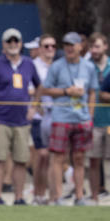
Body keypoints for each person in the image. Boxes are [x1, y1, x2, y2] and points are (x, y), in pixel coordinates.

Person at [0, 28, 40, 205]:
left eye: (16, 41)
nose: (13, 44)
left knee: (21, 160)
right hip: (1, 120)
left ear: (21, 44)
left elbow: (39, 87)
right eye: (9, 41)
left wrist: (34, 108)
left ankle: (19, 197)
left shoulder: (29, 64)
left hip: (22, 121)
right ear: (3, 45)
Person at [42, 32, 98, 206]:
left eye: (72, 44)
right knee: (57, 158)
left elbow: (92, 92)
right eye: (66, 44)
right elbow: (46, 89)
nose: (69, 48)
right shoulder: (57, 66)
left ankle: (80, 196)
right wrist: (66, 92)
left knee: (80, 158)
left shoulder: (88, 67)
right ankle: (57, 197)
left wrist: (90, 116)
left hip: (81, 118)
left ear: (80, 46)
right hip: (61, 117)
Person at [31, 34, 56, 204]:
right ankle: (38, 195)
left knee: (54, 158)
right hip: (40, 117)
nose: (50, 49)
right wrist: (38, 103)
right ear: (39, 48)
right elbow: (30, 90)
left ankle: (53, 196)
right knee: (42, 156)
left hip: (57, 116)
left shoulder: (59, 66)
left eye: (53, 46)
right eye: (46, 46)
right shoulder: (33, 66)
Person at [87, 33, 110, 202]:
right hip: (93, 121)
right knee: (93, 159)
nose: (94, 50)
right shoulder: (85, 66)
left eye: (97, 46)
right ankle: (94, 196)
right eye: (92, 47)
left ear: (105, 47)